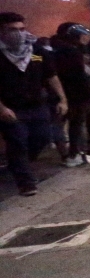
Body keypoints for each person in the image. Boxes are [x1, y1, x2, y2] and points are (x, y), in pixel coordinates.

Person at [0, 12, 68, 195]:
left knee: (43, 138)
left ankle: (18, 166)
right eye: (12, 30)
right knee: (18, 142)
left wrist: (62, 99)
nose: (19, 34)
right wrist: (2, 108)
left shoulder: (36, 51)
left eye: (22, 29)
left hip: (38, 106)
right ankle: (26, 183)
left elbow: (51, 76)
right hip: (12, 108)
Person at [51, 22, 90, 167]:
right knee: (77, 125)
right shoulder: (73, 52)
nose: (84, 38)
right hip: (76, 95)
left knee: (58, 125)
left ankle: (68, 154)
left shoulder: (53, 49)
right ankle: (75, 154)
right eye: (82, 36)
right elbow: (79, 75)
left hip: (58, 94)